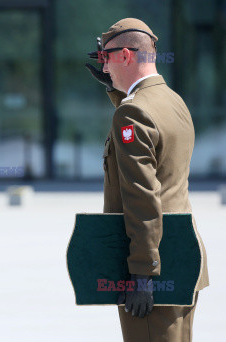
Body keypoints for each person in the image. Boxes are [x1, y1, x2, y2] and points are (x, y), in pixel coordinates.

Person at [86, 18, 209, 342]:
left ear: (126, 56)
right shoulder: (172, 100)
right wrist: (116, 90)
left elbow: (143, 197)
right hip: (183, 256)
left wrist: (142, 273)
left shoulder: (133, 113)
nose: (104, 65)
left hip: (152, 268)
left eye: (106, 57)